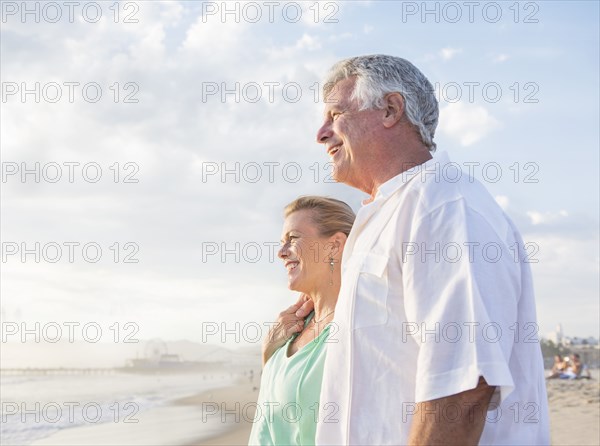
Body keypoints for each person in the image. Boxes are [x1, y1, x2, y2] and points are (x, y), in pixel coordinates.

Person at [302, 54, 550, 445]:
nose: (321, 133)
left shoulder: (444, 205)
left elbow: (463, 386)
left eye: (335, 114)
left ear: (389, 109)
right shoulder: (389, 212)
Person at [248, 196, 355, 445]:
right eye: (281, 242)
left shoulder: (357, 328)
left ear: (335, 246)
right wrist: (269, 353)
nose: (281, 252)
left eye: (293, 239)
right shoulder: (291, 330)